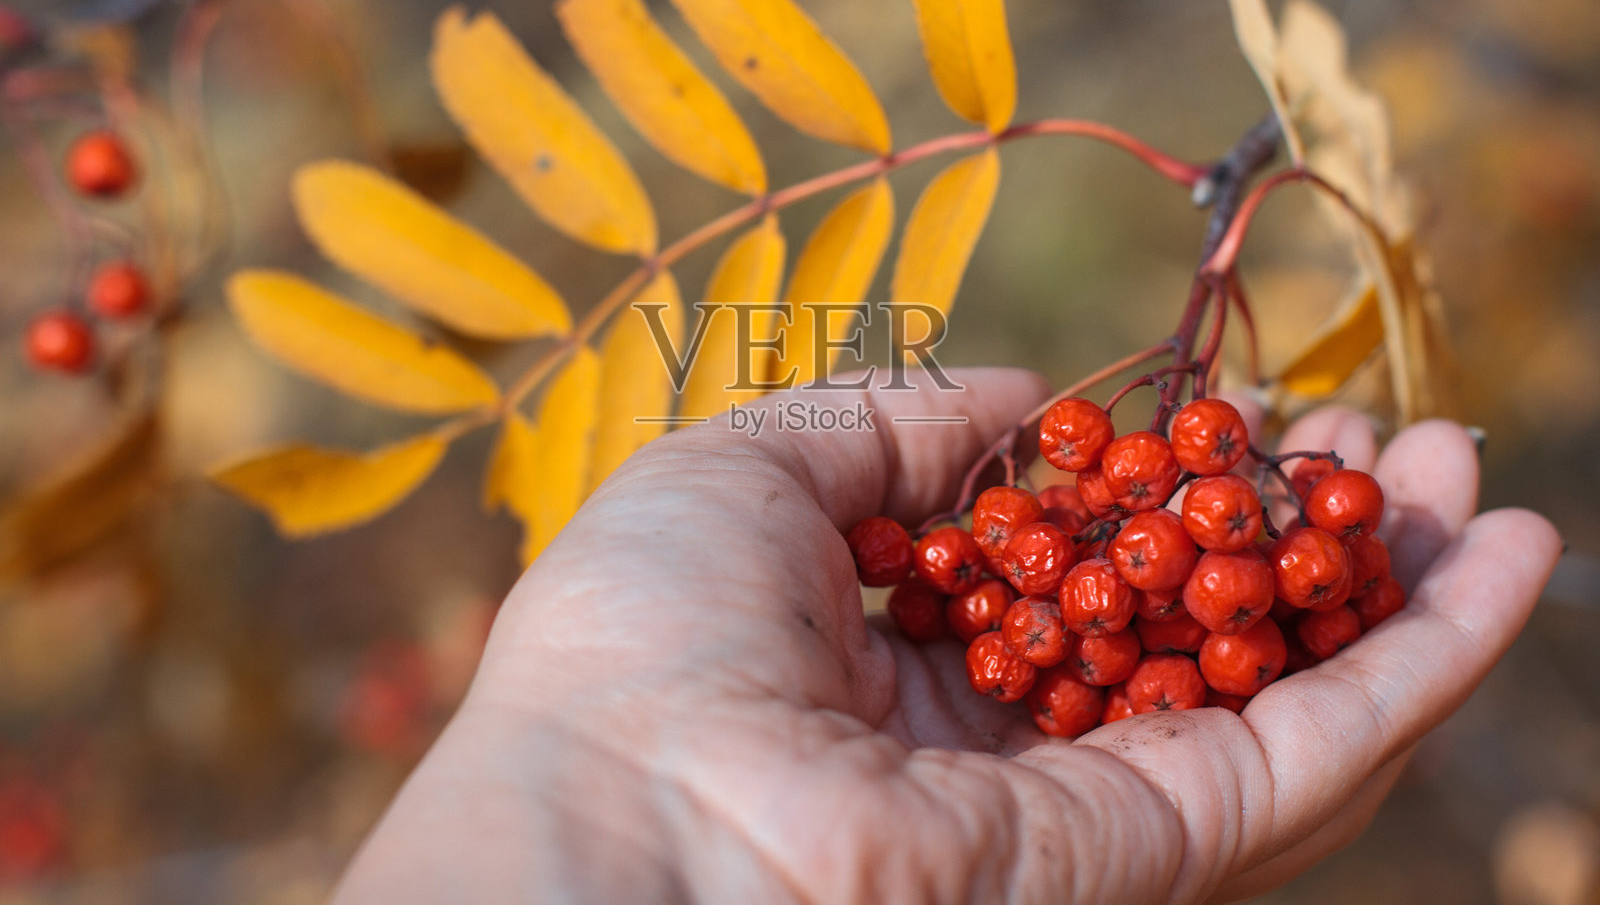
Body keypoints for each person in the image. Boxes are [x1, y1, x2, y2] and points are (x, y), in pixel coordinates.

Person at [332, 368, 1560, 903]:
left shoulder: (1156, 510)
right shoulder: (1093, 529)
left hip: (1143, 580)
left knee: (1302, 586)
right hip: (1127, 588)